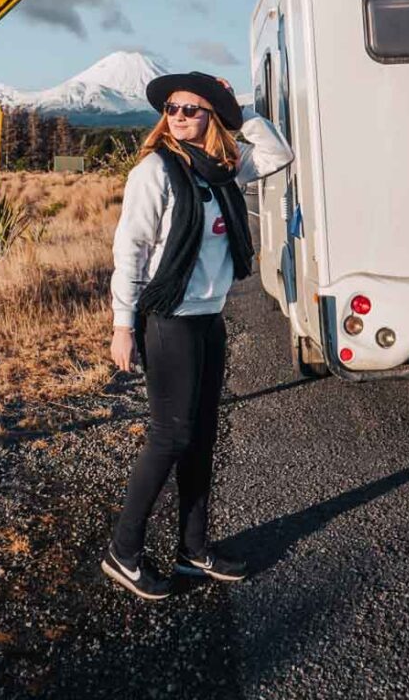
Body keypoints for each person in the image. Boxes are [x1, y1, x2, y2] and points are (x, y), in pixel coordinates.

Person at [102, 70, 295, 600]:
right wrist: (123, 325)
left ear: (212, 117)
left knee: (203, 435)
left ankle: (193, 549)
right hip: (169, 319)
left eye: (192, 108)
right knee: (170, 436)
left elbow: (278, 154)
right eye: (172, 108)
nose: (179, 116)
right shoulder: (154, 170)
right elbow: (131, 250)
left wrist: (239, 110)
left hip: (208, 317)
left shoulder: (222, 169)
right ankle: (123, 551)